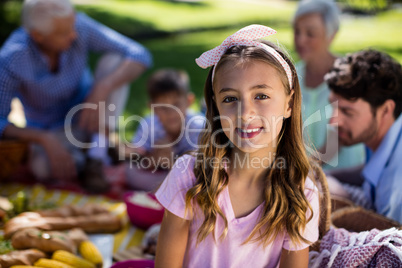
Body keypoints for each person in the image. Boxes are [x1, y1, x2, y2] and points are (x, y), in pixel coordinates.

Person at [154, 25, 321, 268]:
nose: (245, 113)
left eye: (261, 96)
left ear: (289, 103)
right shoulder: (189, 175)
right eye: (230, 99)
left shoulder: (301, 194)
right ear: (216, 108)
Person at [0, 0, 152, 192]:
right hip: (53, 129)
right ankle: (100, 150)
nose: (74, 35)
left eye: (72, 26)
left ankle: (96, 158)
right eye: (63, 33)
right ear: (37, 36)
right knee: (42, 169)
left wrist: (102, 87)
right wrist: (43, 138)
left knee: (115, 60)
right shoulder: (11, 58)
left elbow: (139, 53)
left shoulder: (78, 25)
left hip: (90, 114)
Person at [324, 49, 402, 223]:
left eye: (346, 111)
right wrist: (325, 176)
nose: (333, 121)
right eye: (334, 107)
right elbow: (371, 169)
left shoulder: (395, 194)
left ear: (385, 110)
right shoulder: (381, 136)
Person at [293, 0, 365, 170]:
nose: (301, 40)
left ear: (331, 35)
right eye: (297, 31)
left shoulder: (349, 76)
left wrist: (296, 175)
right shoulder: (290, 75)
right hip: (302, 178)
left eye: (310, 33)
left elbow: (332, 146)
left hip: (343, 181)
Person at [125, 68, 205, 192]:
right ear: (152, 107)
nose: (171, 112)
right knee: (131, 172)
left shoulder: (198, 126)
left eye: (176, 104)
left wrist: (172, 161)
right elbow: (139, 159)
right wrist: (154, 157)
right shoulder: (149, 124)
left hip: (191, 176)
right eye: (162, 107)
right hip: (160, 174)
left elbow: (202, 169)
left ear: (189, 101)